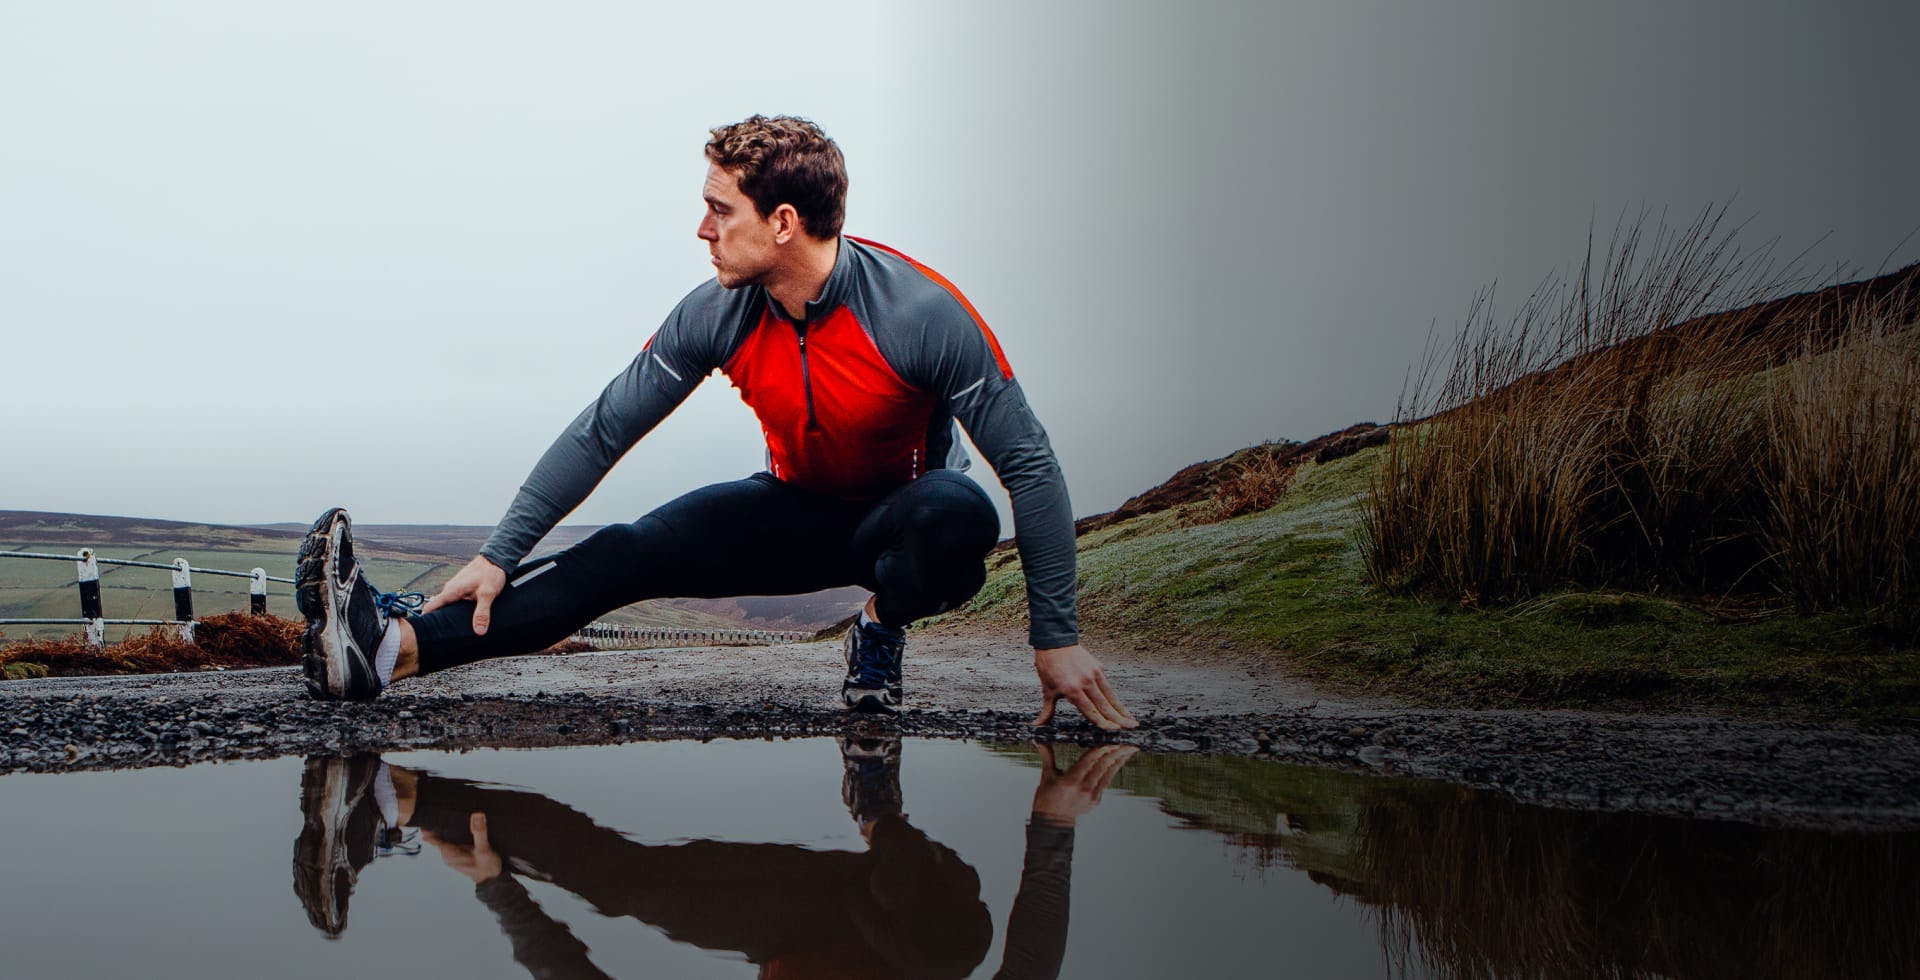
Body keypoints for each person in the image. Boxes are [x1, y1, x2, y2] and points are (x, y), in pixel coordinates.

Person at [296, 114, 1136, 730]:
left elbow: (1030, 466)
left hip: (899, 523)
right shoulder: (722, 310)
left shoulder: (921, 315)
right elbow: (605, 429)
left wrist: (1054, 638)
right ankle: (385, 652)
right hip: (791, 507)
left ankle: (879, 628)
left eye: (719, 210)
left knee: (962, 508)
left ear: (782, 221)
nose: (702, 228)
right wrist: (498, 553)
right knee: (623, 552)